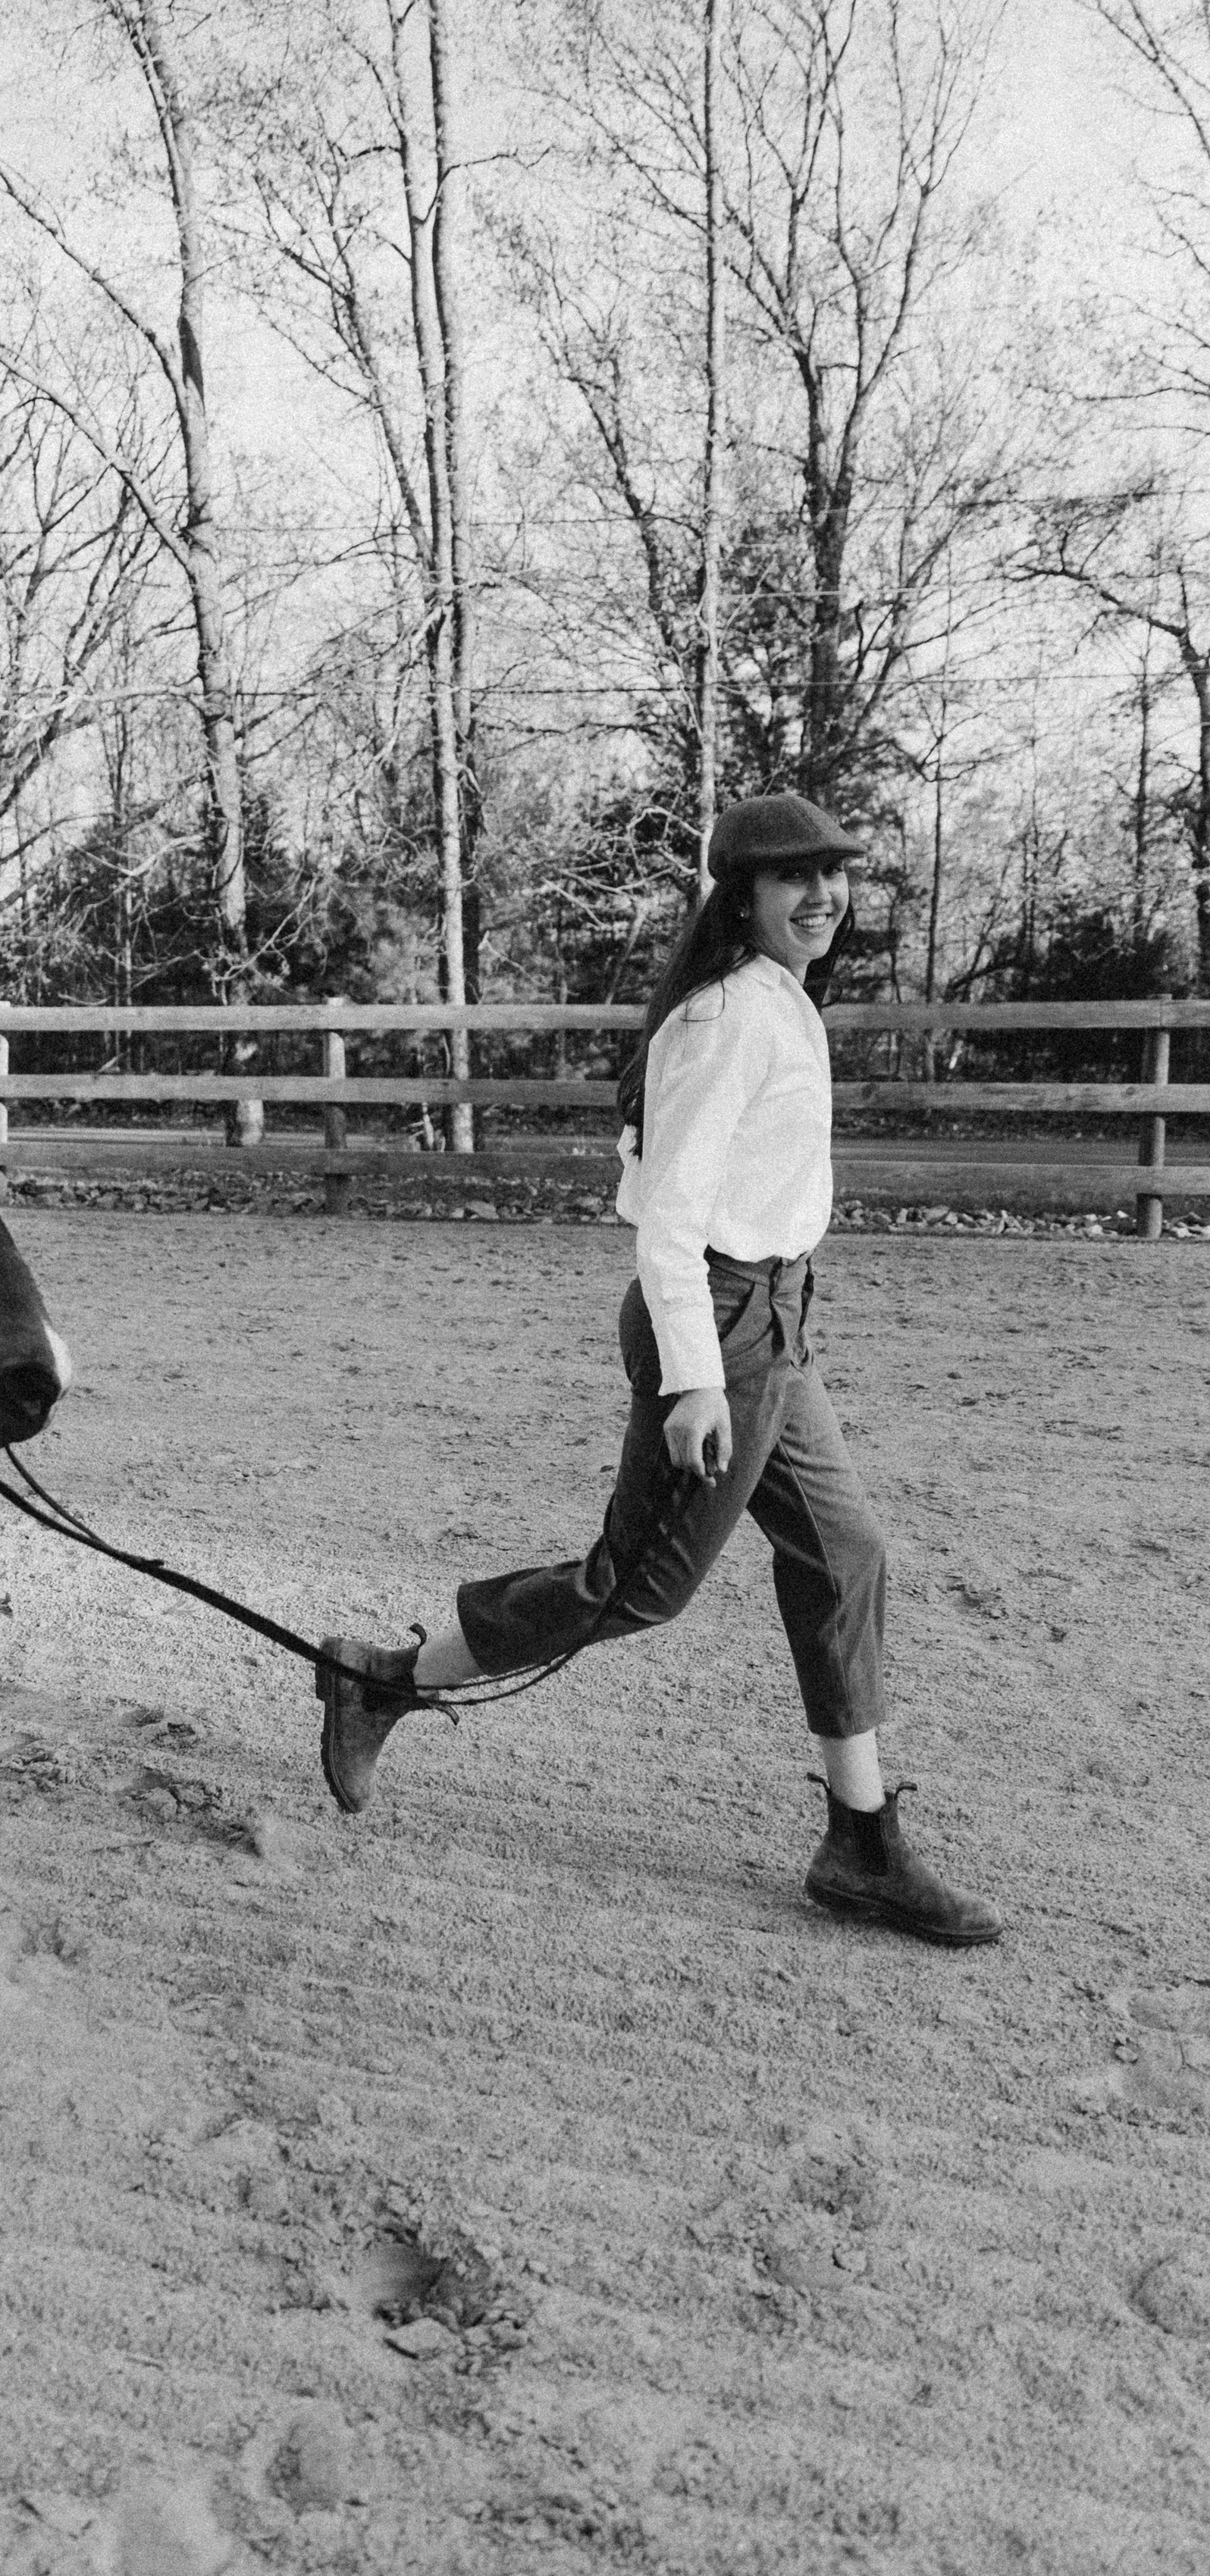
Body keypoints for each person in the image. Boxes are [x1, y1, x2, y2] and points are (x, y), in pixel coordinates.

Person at [316, 792, 1000, 1947]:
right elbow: (670, 1224)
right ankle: (385, 1680)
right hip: (720, 1325)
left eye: (832, 876)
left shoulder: (779, 998)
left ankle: (861, 1843)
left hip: (772, 1320)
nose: (821, 897)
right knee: (635, 1588)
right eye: (795, 880)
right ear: (743, 896)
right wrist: (693, 1380)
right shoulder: (727, 1017)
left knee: (847, 1556)